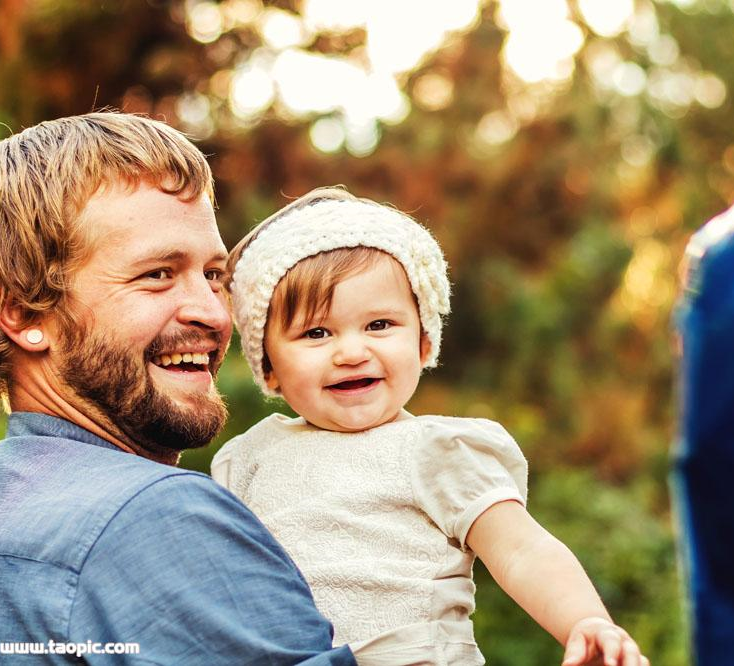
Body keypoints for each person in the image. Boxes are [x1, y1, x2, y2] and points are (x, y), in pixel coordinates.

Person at [0, 113, 355, 664]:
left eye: (214, 274)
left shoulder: (21, 505)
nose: (213, 313)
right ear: (20, 309)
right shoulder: (155, 517)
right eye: (158, 273)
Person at [212, 187, 650, 666]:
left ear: (423, 343)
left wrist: (584, 622)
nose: (352, 352)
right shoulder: (248, 458)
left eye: (379, 325)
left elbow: (521, 550)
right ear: (268, 366)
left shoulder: (436, 450)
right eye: (317, 333)